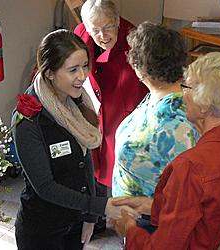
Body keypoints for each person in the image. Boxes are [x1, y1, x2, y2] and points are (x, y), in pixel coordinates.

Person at [12, 29, 138, 250]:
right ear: (50, 73)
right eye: (73, 70)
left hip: (76, 223)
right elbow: (45, 187)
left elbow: (86, 162)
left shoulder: (76, 103)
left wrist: (89, 217)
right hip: (42, 231)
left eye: (84, 66)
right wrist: (100, 206)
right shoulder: (28, 118)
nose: (82, 76)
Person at [112, 52, 220, 250]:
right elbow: (213, 211)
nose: (183, 94)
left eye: (187, 87)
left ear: (205, 104)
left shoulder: (191, 166)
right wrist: (151, 205)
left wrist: (129, 231)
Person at [112, 22, 199, 198]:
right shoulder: (158, 95)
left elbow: (184, 192)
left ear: (141, 67)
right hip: (131, 216)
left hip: (149, 220)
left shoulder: (176, 122)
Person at [74, 0, 148, 193]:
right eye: (95, 30)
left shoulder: (135, 40)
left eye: (108, 27)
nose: (103, 36)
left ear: (117, 21)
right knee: (92, 163)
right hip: (93, 112)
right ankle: (96, 215)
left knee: (118, 167)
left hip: (123, 114)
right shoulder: (80, 34)